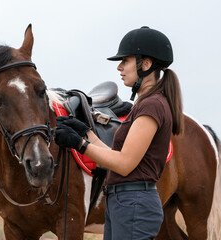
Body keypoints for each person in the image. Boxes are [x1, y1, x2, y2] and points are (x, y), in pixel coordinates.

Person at [55, 26, 183, 240]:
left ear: (146, 64)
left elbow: (124, 163)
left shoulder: (152, 106)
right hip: (123, 202)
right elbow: (113, 156)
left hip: (134, 203)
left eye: (125, 61)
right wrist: (85, 133)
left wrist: (79, 144)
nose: (120, 68)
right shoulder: (144, 105)